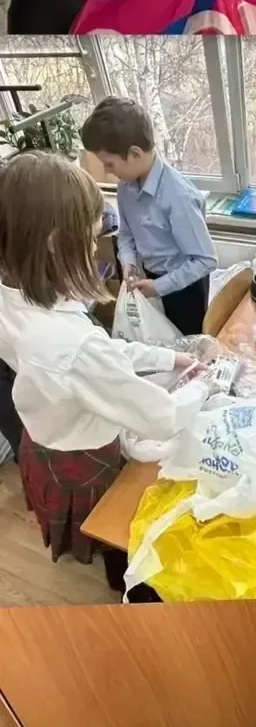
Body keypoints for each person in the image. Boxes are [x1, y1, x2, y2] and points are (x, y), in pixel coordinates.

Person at [0, 152, 190, 593]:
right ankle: (120, 580)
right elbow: (161, 416)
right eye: (89, 239)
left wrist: (167, 359)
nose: (93, 248)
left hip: (43, 441)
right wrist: (199, 385)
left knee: (86, 519)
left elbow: (98, 357)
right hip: (83, 455)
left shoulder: (14, 296)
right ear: (54, 243)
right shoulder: (70, 343)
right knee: (111, 523)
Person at [81, 98, 216, 336]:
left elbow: (206, 261)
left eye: (109, 164)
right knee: (159, 338)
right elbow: (126, 234)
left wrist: (160, 286)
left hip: (185, 287)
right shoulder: (126, 187)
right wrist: (128, 262)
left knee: (187, 342)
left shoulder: (179, 197)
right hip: (150, 278)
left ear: (134, 153)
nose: (107, 171)